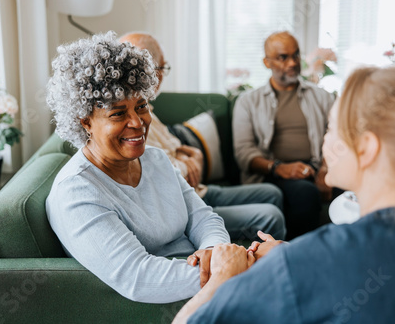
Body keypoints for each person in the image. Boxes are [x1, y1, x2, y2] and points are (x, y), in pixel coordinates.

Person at [174, 66, 395, 323]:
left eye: (330, 128)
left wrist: (224, 274)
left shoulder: (301, 266)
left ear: (366, 148)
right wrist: (291, 252)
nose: (324, 141)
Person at [45, 31, 231, 304]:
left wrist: (214, 249)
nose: (137, 122)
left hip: (211, 281)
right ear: (85, 121)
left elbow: (204, 218)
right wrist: (229, 270)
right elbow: (140, 278)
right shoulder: (76, 192)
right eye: (118, 113)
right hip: (185, 298)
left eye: (141, 106)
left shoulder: (155, 158)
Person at [119, 32, 286, 241]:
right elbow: (163, 172)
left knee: (272, 192)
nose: (158, 77)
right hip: (184, 202)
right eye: (159, 68)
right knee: (271, 217)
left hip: (197, 191)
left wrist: (190, 155)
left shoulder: (146, 109)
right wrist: (190, 163)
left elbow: (174, 146)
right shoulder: (128, 124)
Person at [232, 31, 335, 239]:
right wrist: (280, 168)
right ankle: (300, 258)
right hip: (272, 173)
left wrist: (325, 169)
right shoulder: (248, 101)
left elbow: (336, 134)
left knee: (349, 188)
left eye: (295, 55)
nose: (292, 63)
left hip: (315, 165)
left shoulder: (321, 96)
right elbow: (244, 153)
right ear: (266, 62)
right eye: (283, 57)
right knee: (305, 193)